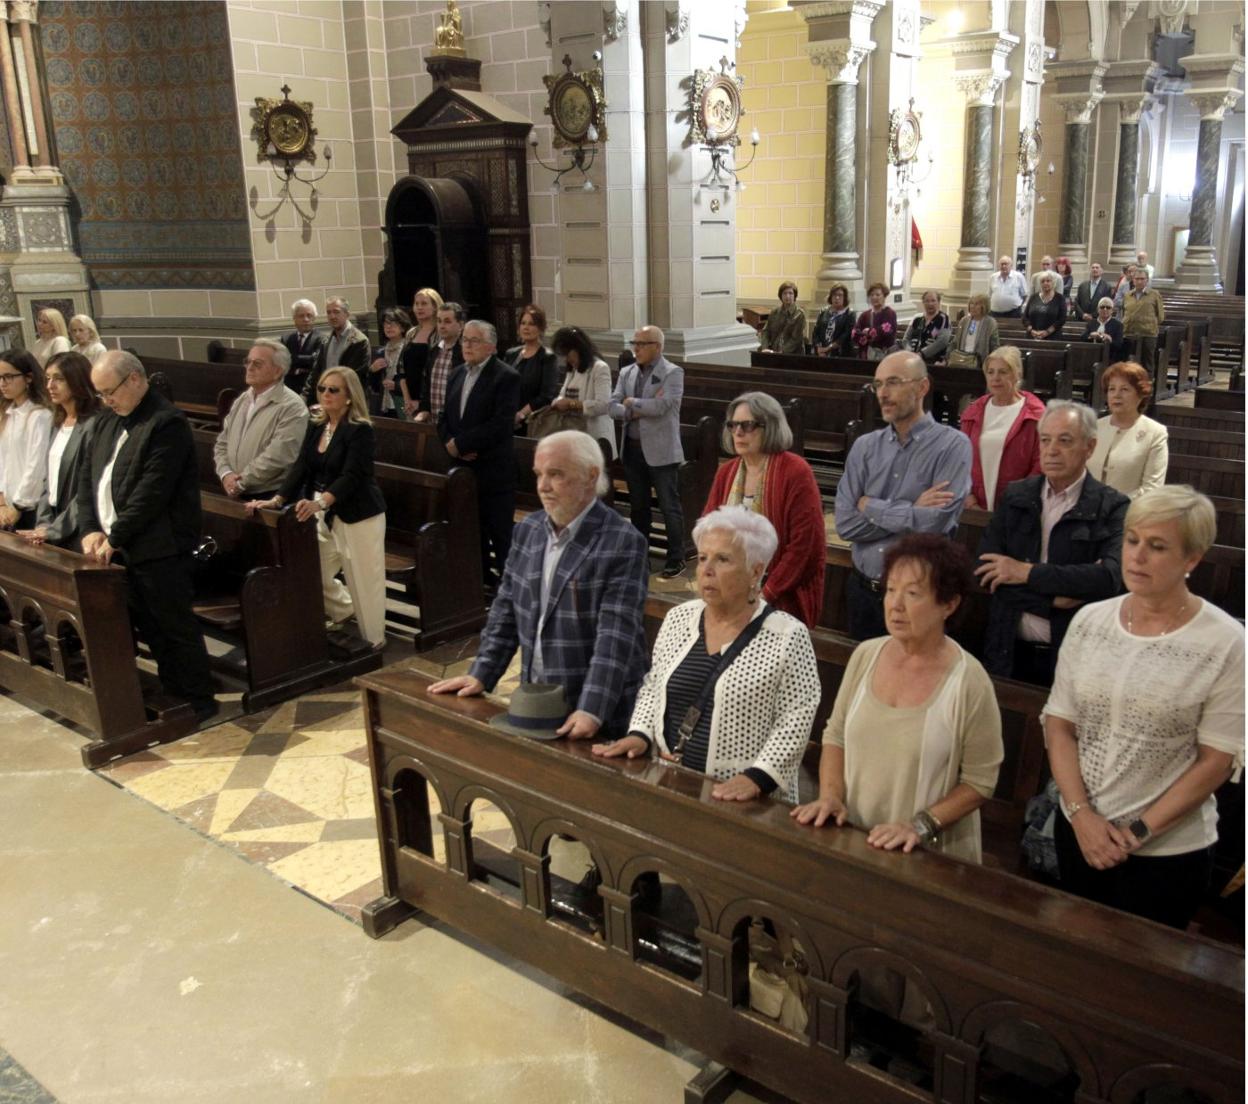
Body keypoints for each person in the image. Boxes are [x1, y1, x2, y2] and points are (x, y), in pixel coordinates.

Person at [1043, 486, 1242, 930]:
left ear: (1192, 559)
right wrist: (1081, 816)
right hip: (1079, 830)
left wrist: (1136, 834)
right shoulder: (1090, 621)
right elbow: (1059, 725)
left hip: (1167, 854)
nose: (1136, 557)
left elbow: (1217, 761)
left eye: (1157, 547)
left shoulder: (1226, 643)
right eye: (1132, 541)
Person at [793, 533, 1003, 861]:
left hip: (929, 855)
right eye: (891, 590)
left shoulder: (969, 681)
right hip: (855, 839)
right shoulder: (866, 654)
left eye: (913, 593)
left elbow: (981, 781)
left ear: (949, 604)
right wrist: (830, 796)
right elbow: (835, 736)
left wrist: (919, 826)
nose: (896, 605)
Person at [430, 430, 650, 739]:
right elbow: (506, 609)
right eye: (539, 475)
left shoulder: (622, 542)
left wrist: (592, 709)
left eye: (556, 474)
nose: (543, 486)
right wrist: (482, 672)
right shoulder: (529, 531)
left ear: (591, 476)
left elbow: (615, 635)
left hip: (603, 711)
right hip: (538, 701)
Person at [595, 507, 820, 804]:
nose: (706, 570)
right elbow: (653, 686)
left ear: (756, 570)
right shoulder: (679, 618)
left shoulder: (786, 635)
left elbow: (797, 716)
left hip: (746, 799)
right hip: (669, 785)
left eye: (722, 559)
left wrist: (759, 776)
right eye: (702, 558)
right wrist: (640, 734)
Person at [75, 351, 217, 722]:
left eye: (110, 391)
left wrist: (115, 536)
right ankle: (171, 695)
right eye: (101, 394)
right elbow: (89, 480)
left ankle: (198, 702)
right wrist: (90, 528)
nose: (106, 400)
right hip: (117, 546)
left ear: (136, 379)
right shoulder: (106, 421)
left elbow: (152, 493)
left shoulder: (166, 423)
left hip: (160, 548)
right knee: (148, 627)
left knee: (173, 628)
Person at [975, 400, 1129, 686]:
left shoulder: (1112, 506)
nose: (1052, 450)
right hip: (1007, 650)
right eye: (1045, 440)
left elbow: (1108, 578)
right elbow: (985, 570)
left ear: (1090, 447)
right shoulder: (1017, 495)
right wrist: (1056, 600)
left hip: (1073, 658)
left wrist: (1024, 572)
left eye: (1065, 441)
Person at [834, 350, 972, 641]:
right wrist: (912, 508)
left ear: (922, 387)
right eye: (878, 384)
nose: (882, 393)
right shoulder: (864, 447)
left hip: (920, 598)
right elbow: (845, 524)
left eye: (893, 382)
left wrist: (870, 505)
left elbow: (935, 524)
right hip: (863, 591)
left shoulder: (953, 446)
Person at [248, 367, 387, 648]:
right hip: (323, 512)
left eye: (333, 390)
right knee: (313, 571)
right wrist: (277, 498)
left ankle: (374, 641)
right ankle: (344, 609)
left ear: (349, 397)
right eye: (322, 388)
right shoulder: (316, 424)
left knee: (363, 579)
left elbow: (353, 475)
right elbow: (301, 465)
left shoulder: (360, 430)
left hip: (358, 514)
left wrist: (321, 501)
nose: (325, 394)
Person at [702, 392, 824, 628]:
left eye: (748, 425)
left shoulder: (795, 471)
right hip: (729, 592)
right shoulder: (726, 473)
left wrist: (765, 594)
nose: (737, 432)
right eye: (733, 425)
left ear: (770, 427)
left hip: (781, 597)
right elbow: (707, 530)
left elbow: (804, 546)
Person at [438, 319, 520, 589]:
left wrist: (461, 444)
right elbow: (444, 417)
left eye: (474, 340)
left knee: (500, 533)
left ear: (491, 347)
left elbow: (500, 424)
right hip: (462, 469)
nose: (468, 345)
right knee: (472, 531)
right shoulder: (457, 373)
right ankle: (481, 581)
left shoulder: (505, 376)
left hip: (492, 470)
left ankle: (510, 589)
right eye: (465, 340)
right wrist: (450, 442)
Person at [609, 325, 687, 579]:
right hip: (632, 451)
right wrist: (634, 407)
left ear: (658, 346)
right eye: (635, 343)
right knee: (638, 506)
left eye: (642, 344)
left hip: (662, 451)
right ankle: (641, 557)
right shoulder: (626, 372)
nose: (636, 348)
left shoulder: (673, 373)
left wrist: (632, 404)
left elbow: (663, 406)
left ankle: (677, 557)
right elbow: (612, 407)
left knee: (669, 505)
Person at [19, 351, 100, 548]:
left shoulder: (93, 424)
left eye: (58, 379)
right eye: (47, 379)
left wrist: (54, 530)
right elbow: (49, 480)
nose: (50, 386)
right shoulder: (58, 422)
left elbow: (88, 488)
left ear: (77, 380)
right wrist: (44, 523)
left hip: (79, 529)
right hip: (54, 522)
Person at [213, 339, 310, 500]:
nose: (249, 368)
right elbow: (222, 442)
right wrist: (226, 473)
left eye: (257, 364)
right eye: (248, 362)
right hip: (236, 489)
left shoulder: (292, 407)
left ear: (278, 371)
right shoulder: (243, 399)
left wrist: (241, 482)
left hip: (268, 496)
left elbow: (279, 456)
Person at [959, 345, 1044, 510]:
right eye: (991, 372)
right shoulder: (973, 412)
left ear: (1017, 374)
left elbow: (1040, 465)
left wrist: (1019, 501)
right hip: (974, 507)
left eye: (1003, 372)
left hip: (1017, 507)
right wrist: (969, 500)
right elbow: (960, 460)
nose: (995, 378)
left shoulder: (1035, 415)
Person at [1088, 360, 1168, 499]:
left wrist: (1113, 509)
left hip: (1130, 514)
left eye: (1124, 389)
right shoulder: (1093, 427)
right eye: (1112, 389)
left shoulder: (1155, 433)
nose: (1116, 395)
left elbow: (1152, 489)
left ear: (1140, 395)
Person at [0, 350, 53, 530]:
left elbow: (36, 466)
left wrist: (18, 506)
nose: (2, 384)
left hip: (29, 508)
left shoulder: (39, 415)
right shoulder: (8, 413)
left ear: (28, 378)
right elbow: (2, 460)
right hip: (6, 506)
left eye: (8, 377)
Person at [549, 326, 615, 457]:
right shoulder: (573, 370)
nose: (566, 359)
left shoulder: (599, 368)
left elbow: (603, 405)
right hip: (574, 434)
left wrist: (571, 404)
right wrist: (557, 402)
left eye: (567, 354)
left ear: (579, 348)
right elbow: (562, 395)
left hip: (595, 436)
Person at [302, 297, 370, 403]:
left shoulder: (359, 341)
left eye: (336, 312)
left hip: (350, 401)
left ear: (347, 314)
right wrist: (304, 397)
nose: (332, 316)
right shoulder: (326, 341)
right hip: (328, 399)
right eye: (329, 312)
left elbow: (355, 376)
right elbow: (316, 372)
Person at [505, 304, 559, 433]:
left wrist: (520, 415)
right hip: (507, 418)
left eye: (531, 324)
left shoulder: (547, 357)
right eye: (523, 323)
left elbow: (546, 396)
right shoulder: (511, 354)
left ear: (540, 329)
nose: (526, 327)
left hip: (533, 422)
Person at [415, 302, 464, 423]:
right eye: (439, 321)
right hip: (435, 422)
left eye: (447, 321)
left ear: (461, 325)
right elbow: (427, 385)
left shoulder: (465, 353)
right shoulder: (434, 351)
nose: (442, 326)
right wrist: (424, 410)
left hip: (457, 422)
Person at [400, 287, 442, 416]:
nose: (419, 307)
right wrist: (408, 400)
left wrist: (423, 403)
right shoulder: (411, 333)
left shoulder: (440, 334)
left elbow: (436, 371)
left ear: (435, 307)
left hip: (433, 400)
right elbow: (401, 370)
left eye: (424, 304)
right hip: (410, 402)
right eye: (416, 304)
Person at [368, 308, 413, 417]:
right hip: (385, 407)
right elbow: (374, 387)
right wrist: (372, 370)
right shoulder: (380, 352)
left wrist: (396, 386)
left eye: (393, 323)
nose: (388, 327)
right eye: (386, 323)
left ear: (402, 327)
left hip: (404, 405)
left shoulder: (409, 349)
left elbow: (415, 380)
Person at [1121, 269, 1165, 378]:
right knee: (1130, 362)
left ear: (1147, 280)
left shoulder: (1154, 295)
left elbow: (1160, 316)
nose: (1139, 281)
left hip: (1148, 333)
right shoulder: (1128, 295)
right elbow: (1123, 312)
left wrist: (1149, 324)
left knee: (1147, 362)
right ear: (1133, 280)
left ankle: (1147, 386)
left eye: (1142, 279)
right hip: (1130, 332)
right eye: (1137, 279)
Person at [281, 299, 325, 400]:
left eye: (309, 315)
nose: (306, 319)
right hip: (289, 390)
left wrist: (292, 358)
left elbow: (315, 362)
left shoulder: (322, 339)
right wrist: (305, 362)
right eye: (301, 316)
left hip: (311, 391)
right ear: (294, 318)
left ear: (314, 318)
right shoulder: (286, 339)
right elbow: (282, 362)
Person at [902, 290, 951, 366]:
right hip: (912, 358)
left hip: (933, 361)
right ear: (923, 303)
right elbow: (906, 339)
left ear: (938, 302)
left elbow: (942, 341)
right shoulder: (917, 318)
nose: (930, 304)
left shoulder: (943, 319)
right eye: (927, 301)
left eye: (933, 301)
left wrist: (921, 354)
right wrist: (910, 352)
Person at [850, 283, 897, 361]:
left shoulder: (890, 313)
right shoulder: (865, 315)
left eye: (878, 295)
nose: (874, 297)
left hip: (884, 356)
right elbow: (854, 333)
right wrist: (869, 336)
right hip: (866, 355)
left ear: (884, 296)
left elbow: (884, 332)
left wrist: (867, 331)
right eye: (872, 295)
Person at [950, 293, 999, 365]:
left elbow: (994, 347)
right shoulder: (964, 321)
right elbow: (955, 342)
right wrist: (946, 358)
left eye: (977, 304)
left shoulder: (990, 323)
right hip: (960, 359)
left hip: (980, 363)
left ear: (984, 306)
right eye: (971, 303)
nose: (973, 306)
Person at [759, 281, 806, 354]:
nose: (787, 296)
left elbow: (796, 339)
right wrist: (765, 348)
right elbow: (766, 331)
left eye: (790, 293)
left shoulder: (799, 314)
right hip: (773, 351)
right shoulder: (774, 312)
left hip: (792, 354)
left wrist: (781, 352)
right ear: (780, 296)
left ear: (795, 296)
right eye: (785, 293)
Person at [811, 284, 854, 358]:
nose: (837, 298)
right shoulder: (824, 311)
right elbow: (816, 332)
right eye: (834, 295)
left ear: (845, 297)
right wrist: (819, 348)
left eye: (840, 295)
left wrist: (828, 349)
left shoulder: (849, 314)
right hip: (821, 353)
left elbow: (846, 335)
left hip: (840, 354)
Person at [1081, 297, 1126, 362]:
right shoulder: (1091, 323)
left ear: (1112, 310)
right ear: (1097, 309)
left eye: (1108, 307)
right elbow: (1082, 337)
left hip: (1109, 358)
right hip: (1090, 356)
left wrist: (1110, 340)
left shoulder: (1118, 325)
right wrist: (1091, 335)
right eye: (1102, 307)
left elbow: (1119, 345)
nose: (1105, 309)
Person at [1023, 273, 1066, 340]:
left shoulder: (1060, 298)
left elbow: (1062, 319)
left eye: (1048, 281)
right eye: (1042, 281)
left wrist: (1047, 332)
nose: (1045, 283)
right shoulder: (1033, 297)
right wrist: (1031, 331)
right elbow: (1025, 317)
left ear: (1053, 283)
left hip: (1053, 337)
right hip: (1032, 336)